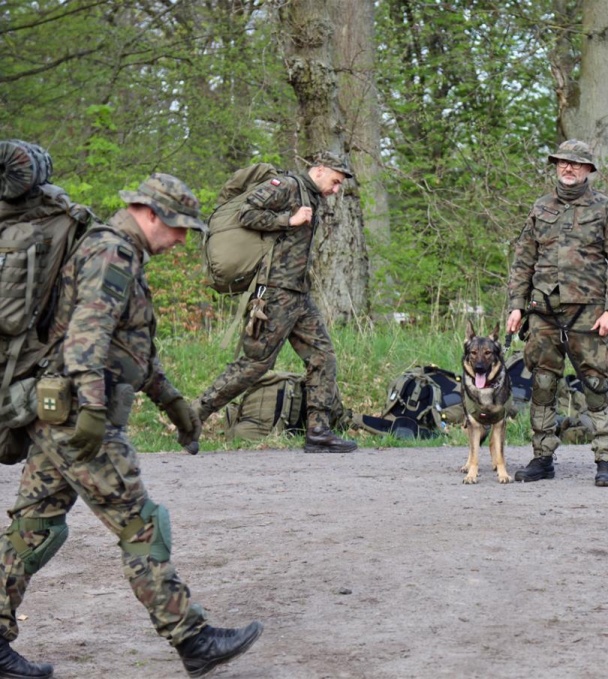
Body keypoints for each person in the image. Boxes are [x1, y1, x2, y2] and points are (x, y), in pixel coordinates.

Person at [0, 174, 263, 679]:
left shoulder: (118, 253)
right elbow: (86, 340)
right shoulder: (112, 254)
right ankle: (193, 638)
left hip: (59, 413)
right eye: (179, 228)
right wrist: (94, 415)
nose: (184, 240)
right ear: (149, 213)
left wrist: (173, 403)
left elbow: (130, 347)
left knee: (30, 531)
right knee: (141, 524)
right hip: (79, 419)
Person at [193, 152, 358, 454]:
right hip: (274, 293)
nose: (336, 190)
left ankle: (319, 431)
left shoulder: (312, 195)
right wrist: (288, 219)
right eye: (335, 182)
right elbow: (247, 212)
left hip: (297, 292)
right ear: (320, 170)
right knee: (255, 364)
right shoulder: (286, 185)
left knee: (322, 355)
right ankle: (192, 417)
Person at [505, 139, 608, 486]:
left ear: (589, 169)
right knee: (543, 384)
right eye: (562, 163)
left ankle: (605, 459)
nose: (568, 169)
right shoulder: (541, 207)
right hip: (543, 310)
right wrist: (516, 306)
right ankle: (542, 457)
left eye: (576, 164)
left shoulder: (605, 209)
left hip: (588, 311)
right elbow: (522, 260)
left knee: (594, 382)